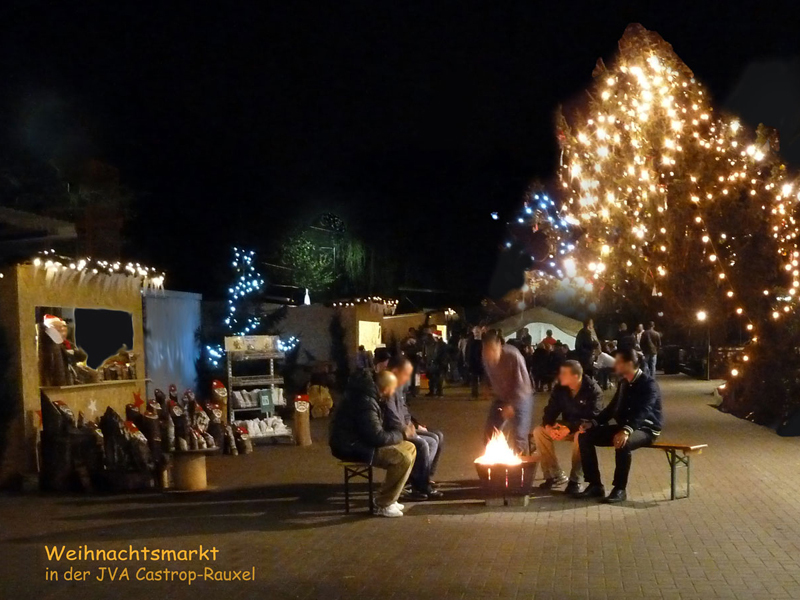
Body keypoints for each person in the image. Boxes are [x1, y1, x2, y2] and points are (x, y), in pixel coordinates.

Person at [574, 348, 664, 504]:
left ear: (629, 364)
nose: (616, 365)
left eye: (619, 362)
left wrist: (627, 430)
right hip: (625, 428)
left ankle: (619, 489)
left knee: (623, 443)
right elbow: (612, 408)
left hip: (646, 428)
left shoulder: (648, 384)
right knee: (585, 436)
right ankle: (595, 484)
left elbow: (644, 411)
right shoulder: (624, 383)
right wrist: (593, 423)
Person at [329, 368, 416, 517]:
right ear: (386, 388)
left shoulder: (371, 397)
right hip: (351, 446)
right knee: (402, 458)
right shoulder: (366, 402)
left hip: (361, 441)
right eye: (393, 389)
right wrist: (402, 433)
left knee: (410, 447)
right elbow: (376, 437)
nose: (394, 392)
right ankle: (382, 503)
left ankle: (390, 497)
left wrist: (400, 431)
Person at [532, 360, 603, 494]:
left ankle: (575, 480)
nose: (560, 376)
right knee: (539, 431)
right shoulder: (560, 388)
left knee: (581, 436)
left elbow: (592, 416)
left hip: (586, 428)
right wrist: (548, 426)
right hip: (567, 425)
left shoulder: (593, 390)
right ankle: (554, 475)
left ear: (575, 376)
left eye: (564, 374)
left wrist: (569, 428)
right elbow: (550, 410)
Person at [384, 355, 444, 499]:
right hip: (392, 431)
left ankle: (424, 477)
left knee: (436, 437)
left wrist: (412, 424)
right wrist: (405, 428)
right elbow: (390, 415)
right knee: (424, 443)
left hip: (402, 427)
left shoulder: (398, 387)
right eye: (405, 374)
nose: (407, 378)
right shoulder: (387, 388)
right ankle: (419, 485)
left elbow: (404, 410)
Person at [481, 329, 534, 453]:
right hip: (501, 397)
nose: (490, 355)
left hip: (521, 398)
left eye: (493, 351)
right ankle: (494, 467)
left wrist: (512, 405)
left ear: (500, 345)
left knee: (519, 437)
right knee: (490, 432)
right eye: (487, 351)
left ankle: (522, 467)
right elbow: (487, 373)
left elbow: (523, 384)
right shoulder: (484, 355)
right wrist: (486, 385)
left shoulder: (512, 356)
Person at [400, 328, 420, 396]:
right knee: (409, 375)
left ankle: (414, 390)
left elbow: (419, 349)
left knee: (414, 376)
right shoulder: (406, 340)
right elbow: (401, 347)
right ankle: (409, 390)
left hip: (414, 360)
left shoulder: (417, 341)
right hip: (408, 360)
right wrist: (407, 343)